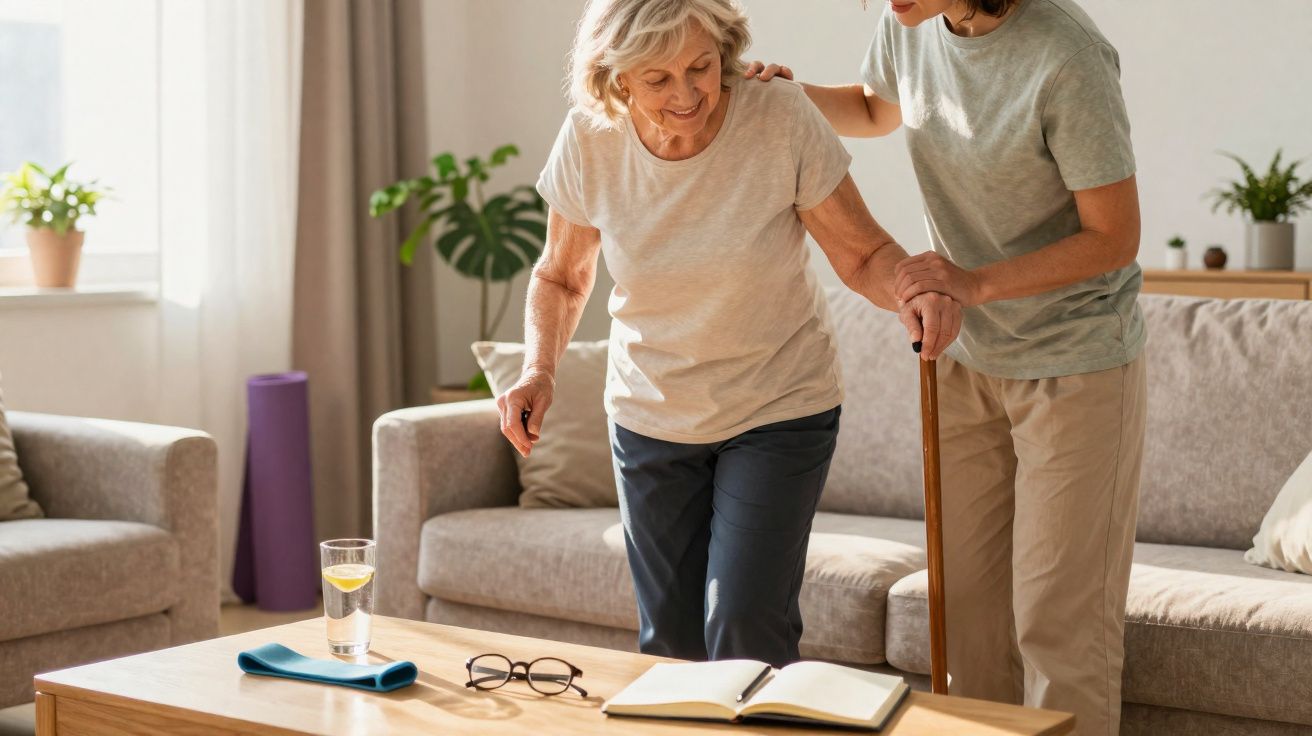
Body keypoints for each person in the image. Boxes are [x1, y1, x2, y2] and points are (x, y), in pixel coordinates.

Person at [494, 0, 962, 668]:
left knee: (746, 623)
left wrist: (913, 292)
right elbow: (563, 277)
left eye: (701, 66)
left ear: (726, 52)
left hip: (778, 407)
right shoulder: (590, 140)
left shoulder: (778, 116)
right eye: (658, 79)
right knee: (671, 646)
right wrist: (539, 370)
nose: (686, 94)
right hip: (651, 414)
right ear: (616, 77)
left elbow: (859, 255)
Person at [745, 0, 1145, 732]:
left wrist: (974, 283)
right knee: (965, 619)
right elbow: (873, 107)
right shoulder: (911, 22)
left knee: (1059, 620)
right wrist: (784, 93)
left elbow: (1114, 237)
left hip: (1075, 362)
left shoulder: (1066, 54)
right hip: (962, 362)